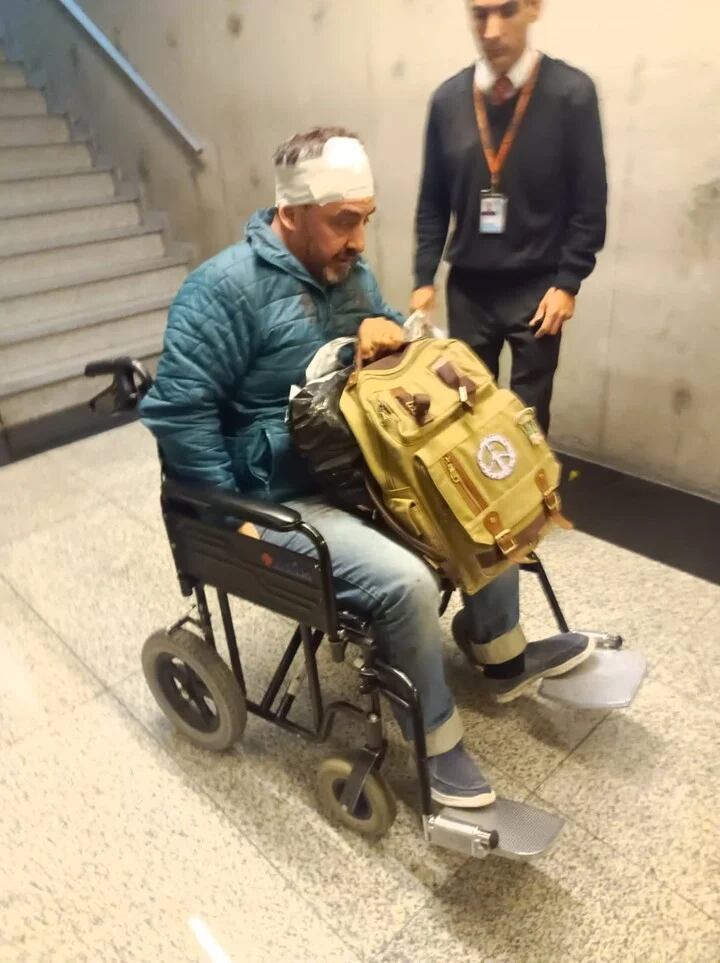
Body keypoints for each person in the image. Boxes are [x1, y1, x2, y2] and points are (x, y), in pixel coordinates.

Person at [141, 126, 594, 809]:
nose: (358, 239)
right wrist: (233, 520)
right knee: (407, 582)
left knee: (476, 494)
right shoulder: (222, 291)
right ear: (291, 213)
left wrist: (387, 336)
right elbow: (180, 413)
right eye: (343, 222)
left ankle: (499, 649)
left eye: (365, 221)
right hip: (281, 495)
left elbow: (381, 344)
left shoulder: (348, 275)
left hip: (356, 472)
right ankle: (436, 743)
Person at [411, 0, 608, 433]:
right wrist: (424, 279)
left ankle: (527, 500)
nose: (492, 30)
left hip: (537, 290)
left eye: (506, 11)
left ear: (534, 9)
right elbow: (432, 201)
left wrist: (568, 283)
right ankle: (474, 500)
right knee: (464, 412)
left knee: (526, 419)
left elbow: (589, 202)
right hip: (468, 287)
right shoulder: (448, 101)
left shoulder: (571, 94)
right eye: (480, 14)